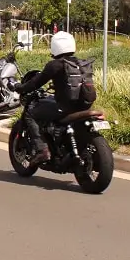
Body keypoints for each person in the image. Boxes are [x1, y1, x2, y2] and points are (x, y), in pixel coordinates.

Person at [14, 31, 95, 165]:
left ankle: (42, 150)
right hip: (85, 106)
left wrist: (20, 87)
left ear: (55, 47)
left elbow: (35, 83)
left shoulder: (55, 65)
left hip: (65, 108)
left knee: (30, 113)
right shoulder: (81, 63)